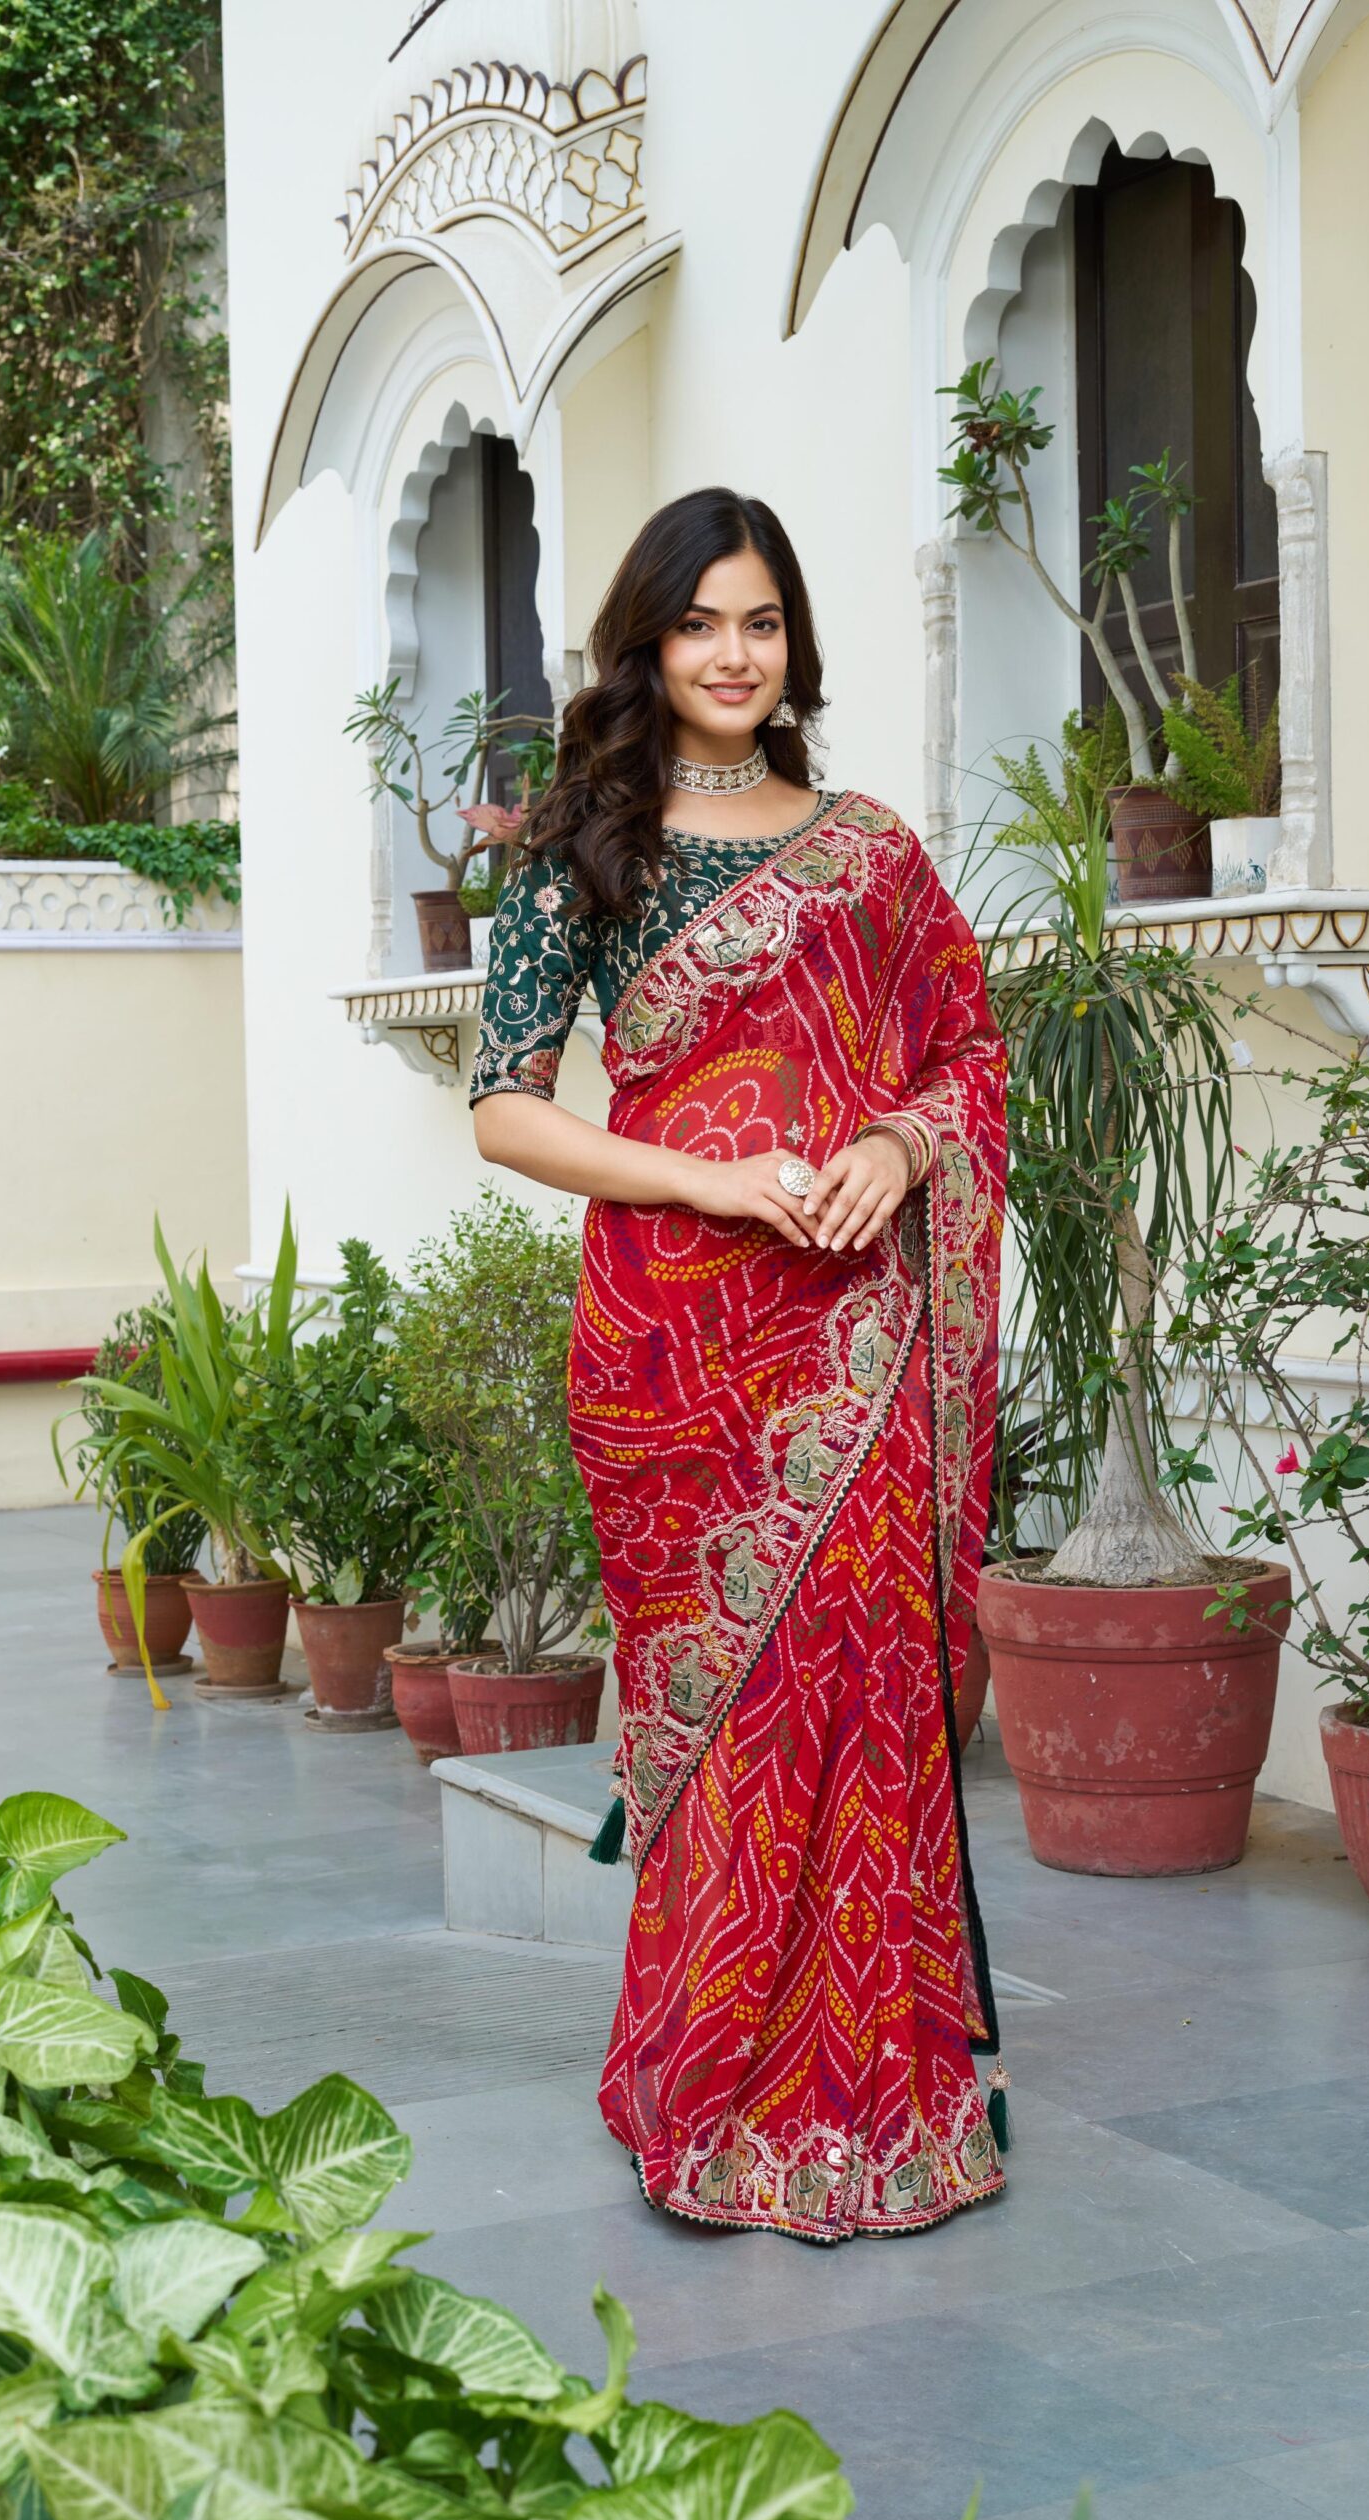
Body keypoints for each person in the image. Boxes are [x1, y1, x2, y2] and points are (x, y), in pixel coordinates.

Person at [469, 488, 1008, 2241]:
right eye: (698, 622)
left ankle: (871, 2099)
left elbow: (967, 1057)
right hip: (676, 1349)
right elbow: (505, 1110)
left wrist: (903, 1150)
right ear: (648, 644)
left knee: (854, 1688)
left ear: (795, 643)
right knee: (724, 1719)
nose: (731, 653)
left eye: (760, 621)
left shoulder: (872, 853)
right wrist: (707, 1179)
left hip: (858, 1337)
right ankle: (710, 2087)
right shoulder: (588, 846)